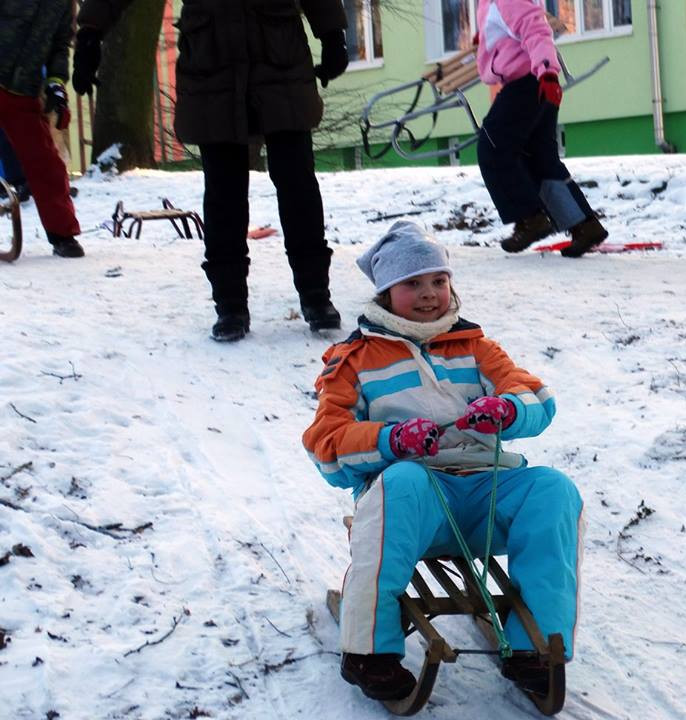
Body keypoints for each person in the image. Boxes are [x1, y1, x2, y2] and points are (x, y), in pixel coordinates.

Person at [302, 221, 583, 701]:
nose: (429, 293)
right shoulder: (354, 360)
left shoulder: (475, 346)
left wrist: (509, 408)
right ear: (387, 291)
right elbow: (326, 446)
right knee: (404, 481)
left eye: (438, 280)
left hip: (485, 496)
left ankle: (536, 644)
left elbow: (535, 395)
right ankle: (368, 650)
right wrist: (391, 440)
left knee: (553, 489)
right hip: (414, 511)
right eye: (412, 283)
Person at [73, 0, 351, 341]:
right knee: (223, 193)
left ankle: (316, 296)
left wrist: (332, 33)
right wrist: (90, 33)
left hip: (280, 58)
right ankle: (230, 305)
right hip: (211, 63)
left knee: (298, 186)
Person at [475, 2, 608, 258]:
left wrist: (547, 73)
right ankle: (584, 225)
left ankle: (529, 218)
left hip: (530, 81)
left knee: (493, 147)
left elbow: (536, 30)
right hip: (534, 81)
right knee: (539, 158)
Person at [0, 0, 84, 257]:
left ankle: (63, 235)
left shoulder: (62, 4)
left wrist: (56, 83)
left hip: (23, 91)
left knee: (46, 163)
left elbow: (60, 46)